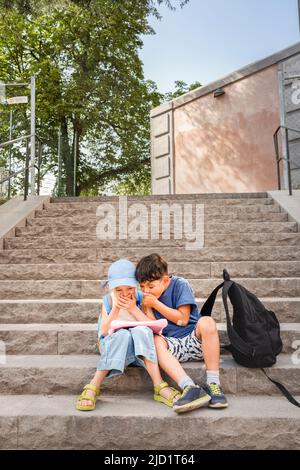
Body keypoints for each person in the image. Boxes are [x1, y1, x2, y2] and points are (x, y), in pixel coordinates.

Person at [76, 258, 182, 411]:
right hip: (113, 347)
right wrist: (116, 309)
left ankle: (159, 385)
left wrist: (134, 309)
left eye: (129, 289)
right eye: (119, 290)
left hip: (140, 350)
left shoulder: (141, 298)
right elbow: (105, 331)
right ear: (112, 289)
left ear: (135, 286)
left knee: (142, 329)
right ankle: (94, 384)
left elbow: (153, 326)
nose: (125, 294)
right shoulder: (108, 301)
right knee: (122, 335)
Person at [135, 253, 228, 410]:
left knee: (207, 322)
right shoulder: (147, 298)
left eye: (151, 286)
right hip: (170, 347)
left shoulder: (180, 285)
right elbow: (153, 326)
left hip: (193, 340)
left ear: (165, 280)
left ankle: (214, 384)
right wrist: (147, 308)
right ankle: (190, 388)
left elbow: (182, 319)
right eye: (142, 287)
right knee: (155, 340)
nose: (146, 291)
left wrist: (156, 304)